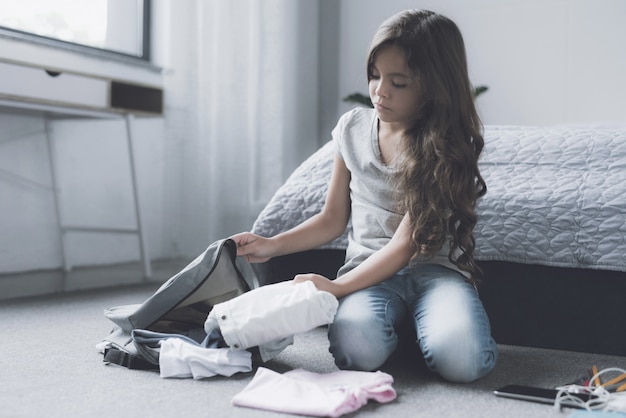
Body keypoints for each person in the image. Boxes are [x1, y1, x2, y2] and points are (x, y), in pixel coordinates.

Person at [230, 9, 497, 383]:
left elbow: (406, 245)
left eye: (399, 82)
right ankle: (406, 329)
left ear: (434, 87)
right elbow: (332, 220)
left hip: (436, 273)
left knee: (463, 361)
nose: (379, 91)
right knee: (355, 350)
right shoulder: (353, 128)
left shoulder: (448, 144)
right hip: (367, 274)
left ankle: (428, 327)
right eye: (375, 75)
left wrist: (337, 288)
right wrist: (272, 245)